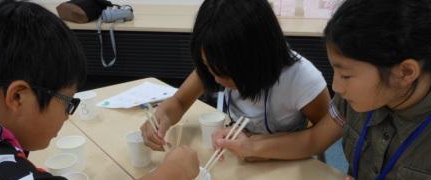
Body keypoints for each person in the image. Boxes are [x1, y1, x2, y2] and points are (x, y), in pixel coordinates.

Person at [0, 0, 199, 180]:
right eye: (68, 102)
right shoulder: (0, 178)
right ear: (18, 97)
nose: (68, 116)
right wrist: (177, 168)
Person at [235, 0, 431, 180]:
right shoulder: (358, 96)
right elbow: (314, 140)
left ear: (405, 72)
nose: (337, 87)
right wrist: (251, 146)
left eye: (346, 76)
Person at [141, 0, 330, 161]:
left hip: (289, 166)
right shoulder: (218, 62)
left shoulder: (302, 79)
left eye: (225, 73)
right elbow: (179, 102)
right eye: (208, 67)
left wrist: (258, 148)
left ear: (257, 56)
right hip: (240, 162)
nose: (215, 78)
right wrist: (161, 118)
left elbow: (321, 137)